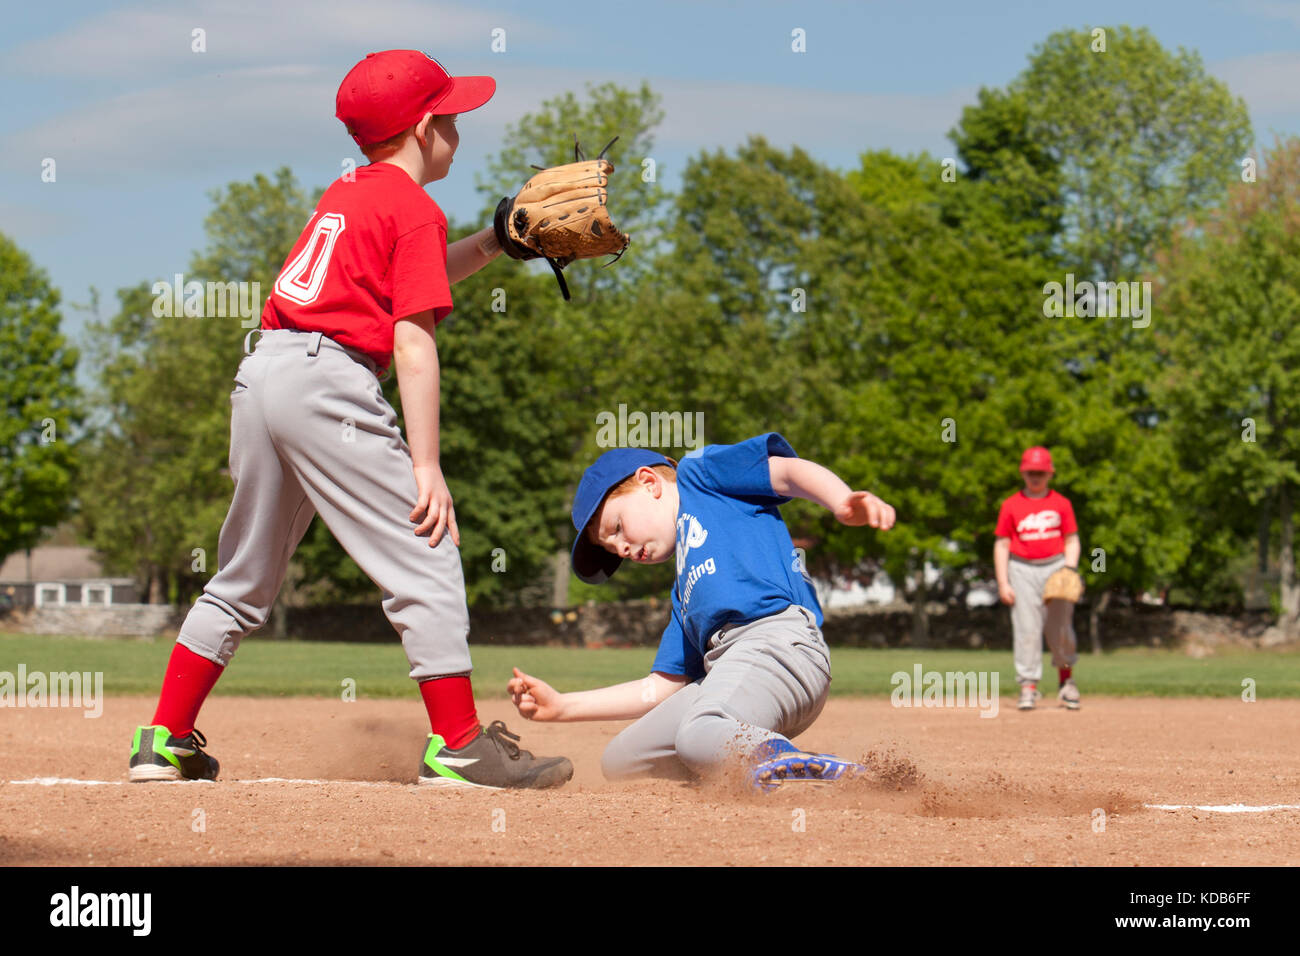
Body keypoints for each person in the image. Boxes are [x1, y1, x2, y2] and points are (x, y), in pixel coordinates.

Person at [128, 50, 572, 790]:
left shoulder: (350, 194)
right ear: (426, 127)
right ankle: (460, 745)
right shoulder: (415, 208)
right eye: (453, 118)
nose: (460, 130)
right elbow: (412, 336)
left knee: (241, 575)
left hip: (266, 370)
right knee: (425, 551)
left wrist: (497, 241)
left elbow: (406, 273)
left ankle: (164, 739)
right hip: (327, 384)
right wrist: (427, 466)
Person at [506, 434, 897, 790]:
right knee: (625, 760)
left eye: (618, 527)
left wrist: (841, 500)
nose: (622, 549)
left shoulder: (700, 475)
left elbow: (785, 474)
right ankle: (752, 759)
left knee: (698, 732)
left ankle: (785, 766)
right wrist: (562, 706)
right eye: (612, 550)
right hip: (731, 673)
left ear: (649, 482)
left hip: (780, 645)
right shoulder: (685, 593)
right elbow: (659, 688)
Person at [993, 446, 1081, 711]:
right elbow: (1001, 544)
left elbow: (1072, 539)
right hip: (1021, 569)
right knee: (1026, 628)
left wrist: (1070, 568)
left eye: (1040, 472)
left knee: (1061, 629)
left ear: (1049, 474)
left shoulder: (1061, 503)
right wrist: (1003, 582)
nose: (1035, 477)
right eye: (1031, 472)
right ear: (1023, 472)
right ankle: (1028, 686)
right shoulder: (1011, 505)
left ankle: (1066, 684)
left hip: (1055, 566)